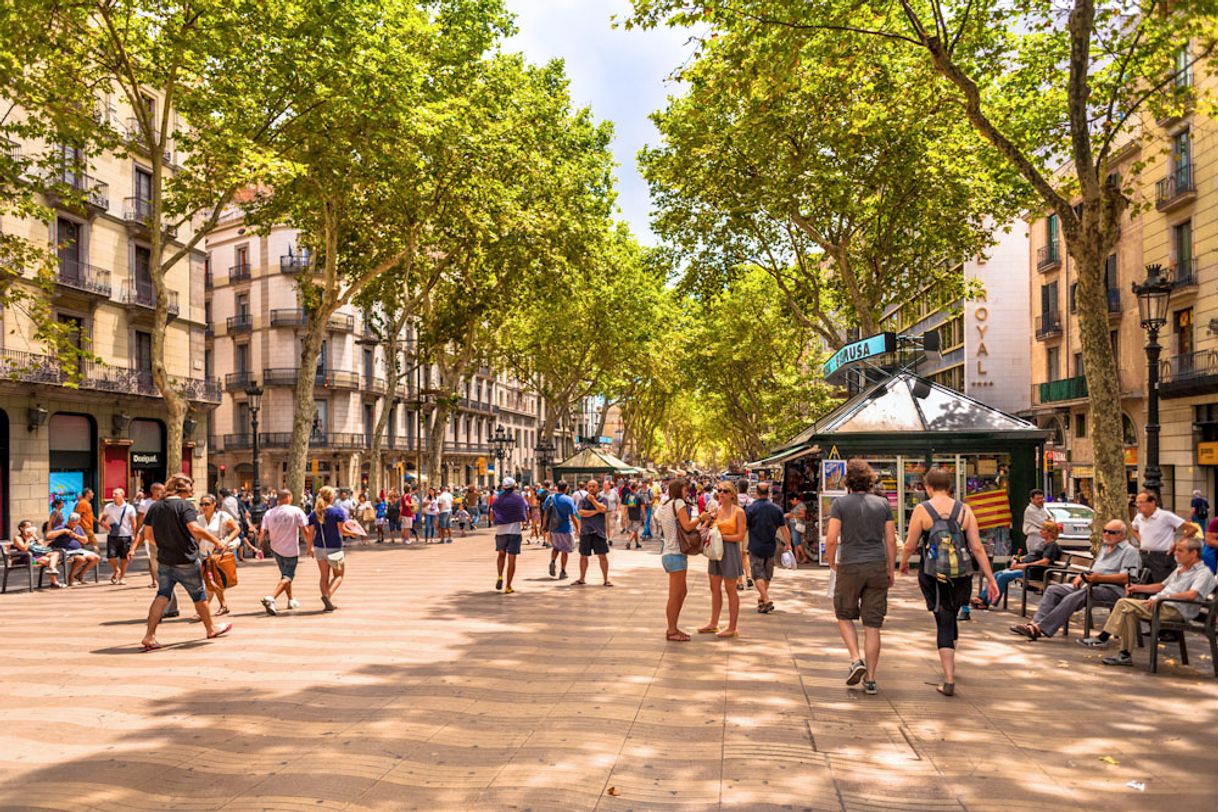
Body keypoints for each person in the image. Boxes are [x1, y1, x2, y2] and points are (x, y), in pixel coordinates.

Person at [900, 468, 1000, 697]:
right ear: (949, 487)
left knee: (943, 620)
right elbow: (976, 547)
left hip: (933, 574)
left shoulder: (922, 509)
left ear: (927, 487)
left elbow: (910, 544)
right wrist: (990, 578)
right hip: (961, 575)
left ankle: (948, 679)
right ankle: (951, 655)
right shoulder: (965, 510)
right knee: (951, 615)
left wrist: (903, 564)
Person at [1080, 537, 1217, 666]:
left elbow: (1192, 595)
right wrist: (1137, 587)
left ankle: (1103, 637)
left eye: (1180, 550)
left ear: (1194, 553)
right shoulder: (1180, 569)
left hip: (1174, 610)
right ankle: (1124, 655)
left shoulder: (1203, 573)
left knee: (1123, 603)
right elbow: (1161, 586)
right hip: (1159, 605)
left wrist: (1161, 598)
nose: (1176, 553)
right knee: (1129, 612)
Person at [825, 461, 895, 695]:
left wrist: (831, 561)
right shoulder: (883, 504)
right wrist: (891, 569)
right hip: (876, 565)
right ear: (869, 480)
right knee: (873, 625)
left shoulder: (840, 504)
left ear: (848, 482)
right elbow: (891, 540)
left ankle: (856, 659)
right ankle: (871, 679)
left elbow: (833, 538)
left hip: (850, 565)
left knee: (844, 614)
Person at [139, 474, 232, 650]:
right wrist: (216, 541)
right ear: (182, 488)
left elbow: (148, 536)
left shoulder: (155, 507)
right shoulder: (184, 505)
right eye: (190, 486)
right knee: (199, 595)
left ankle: (149, 636)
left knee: (162, 595)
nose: (192, 490)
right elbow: (194, 528)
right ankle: (211, 628)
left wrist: (165, 544)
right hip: (185, 558)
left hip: (165, 559)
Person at [1010, 520, 1141, 640]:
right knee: (1053, 590)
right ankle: (1034, 624)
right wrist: (1082, 575)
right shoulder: (1104, 548)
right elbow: (1095, 570)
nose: (1106, 534)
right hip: (1090, 585)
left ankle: (1040, 628)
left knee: (1076, 596)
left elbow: (1127, 577)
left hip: (1112, 590)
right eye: (1104, 531)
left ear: (1122, 535)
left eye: (1111, 532)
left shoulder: (1129, 552)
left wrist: (1098, 578)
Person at [698, 480, 746, 639]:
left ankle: (732, 626)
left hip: (730, 551)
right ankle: (713, 623)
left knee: (730, 588)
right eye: (719, 490)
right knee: (714, 587)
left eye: (725, 491)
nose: (721, 493)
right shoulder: (715, 510)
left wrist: (720, 537)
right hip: (715, 552)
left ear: (732, 494)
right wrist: (706, 520)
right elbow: (704, 528)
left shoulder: (738, 512)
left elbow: (740, 536)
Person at [975, 521, 1063, 607]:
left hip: (1033, 572)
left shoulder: (1052, 546)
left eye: (1043, 529)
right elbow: (1033, 555)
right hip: (1027, 569)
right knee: (997, 574)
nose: (1040, 531)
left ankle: (987, 602)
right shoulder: (1043, 544)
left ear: (1050, 532)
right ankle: (982, 597)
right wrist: (1020, 558)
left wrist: (1023, 566)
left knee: (1003, 576)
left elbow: (1044, 562)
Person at [656, 479, 699, 641]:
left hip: (669, 553)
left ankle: (674, 628)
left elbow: (660, 519)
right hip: (675, 554)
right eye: (686, 490)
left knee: (682, 592)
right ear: (679, 490)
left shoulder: (665, 505)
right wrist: (701, 518)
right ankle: (672, 630)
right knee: (675, 595)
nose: (687, 492)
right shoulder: (679, 503)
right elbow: (687, 526)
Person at [259, 489, 311, 616]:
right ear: (288, 497)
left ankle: (290, 599)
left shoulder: (269, 513)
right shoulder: (296, 511)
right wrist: (310, 545)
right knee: (288, 576)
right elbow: (305, 529)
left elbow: (262, 532)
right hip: (291, 549)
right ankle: (271, 598)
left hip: (276, 549)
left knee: (285, 575)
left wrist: (259, 548)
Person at [1131, 490, 1199, 583]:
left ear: (1152, 502)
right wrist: (1140, 540)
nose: (1138, 505)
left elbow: (1192, 529)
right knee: (1143, 583)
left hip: (1162, 557)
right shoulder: (1138, 517)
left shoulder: (1165, 516)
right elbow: (1133, 529)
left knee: (1161, 584)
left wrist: (1178, 544)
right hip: (1143, 555)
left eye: (1141, 502)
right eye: (1137, 502)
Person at [310, 485, 358, 611]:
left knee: (324, 576)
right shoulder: (337, 512)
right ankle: (327, 596)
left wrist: (309, 547)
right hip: (335, 547)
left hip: (319, 547)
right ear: (331, 497)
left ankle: (328, 601)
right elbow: (342, 530)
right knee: (339, 575)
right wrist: (352, 533)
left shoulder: (314, 513)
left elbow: (310, 533)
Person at [746, 482, 790, 615]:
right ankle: (762, 601)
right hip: (771, 547)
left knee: (757, 574)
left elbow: (744, 527)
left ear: (756, 493)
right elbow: (784, 528)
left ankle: (765, 598)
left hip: (755, 546)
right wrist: (788, 543)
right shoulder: (776, 509)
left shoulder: (751, 509)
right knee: (767, 574)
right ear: (769, 493)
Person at [198, 494, 241, 615]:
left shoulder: (222, 516)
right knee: (213, 581)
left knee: (209, 582)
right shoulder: (199, 519)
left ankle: (203, 611)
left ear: (214, 504)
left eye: (207, 504)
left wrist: (226, 541)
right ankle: (223, 605)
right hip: (203, 554)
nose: (204, 507)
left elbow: (236, 529)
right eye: (202, 504)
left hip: (217, 555)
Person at [491, 477, 528, 593]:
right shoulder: (519, 499)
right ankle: (508, 586)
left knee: (501, 554)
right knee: (512, 559)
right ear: (514, 486)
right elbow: (524, 516)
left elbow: (492, 515)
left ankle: (500, 576)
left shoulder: (497, 500)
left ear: (503, 487)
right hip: (514, 531)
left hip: (500, 531)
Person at [575, 479, 613, 586]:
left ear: (598, 488)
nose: (591, 488)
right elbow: (581, 513)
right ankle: (582, 578)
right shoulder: (582, 500)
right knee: (583, 556)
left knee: (602, 556)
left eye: (594, 486)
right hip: (586, 532)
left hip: (599, 532)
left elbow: (604, 508)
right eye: (590, 486)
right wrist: (597, 511)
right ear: (587, 488)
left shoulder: (603, 499)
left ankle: (606, 579)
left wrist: (593, 501)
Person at [47, 513, 100, 584]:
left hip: (78, 550)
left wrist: (76, 536)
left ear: (78, 522)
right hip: (66, 551)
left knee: (96, 558)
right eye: (71, 523)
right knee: (80, 559)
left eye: (75, 523)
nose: (72, 525)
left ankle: (80, 575)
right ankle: (70, 576)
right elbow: (49, 536)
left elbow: (85, 540)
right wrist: (63, 531)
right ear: (68, 521)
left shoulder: (79, 528)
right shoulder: (61, 527)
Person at [100, 488, 137, 585]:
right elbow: (102, 520)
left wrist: (135, 536)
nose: (113, 496)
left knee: (124, 558)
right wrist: (104, 524)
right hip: (112, 535)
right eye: (113, 494)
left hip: (126, 535)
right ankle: (117, 570)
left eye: (116, 494)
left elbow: (134, 523)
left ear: (122, 495)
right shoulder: (108, 507)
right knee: (110, 556)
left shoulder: (130, 508)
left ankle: (122, 577)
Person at [12, 520, 64, 588]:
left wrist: (35, 537)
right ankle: (54, 582)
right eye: (28, 527)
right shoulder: (17, 538)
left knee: (55, 553)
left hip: (38, 554)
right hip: (28, 558)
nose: (30, 528)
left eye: (31, 526)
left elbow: (42, 546)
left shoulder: (33, 536)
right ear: (21, 528)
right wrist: (28, 539)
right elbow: (24, 549)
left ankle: (51, 569)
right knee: (48, 561)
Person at [544, 480, 579, 580]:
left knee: (555, 547)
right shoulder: (568, 500)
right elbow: (572, 516)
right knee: (565, 550)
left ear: (556, 487)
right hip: (565, 528)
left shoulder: (550, 498)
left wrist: (544, 526)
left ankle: (553, 561)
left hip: (553, 528)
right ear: (566, 488)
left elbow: (546, 513)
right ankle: (563, 571)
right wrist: (577, 528)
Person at [136, 483, 164, 589]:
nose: (160, 492)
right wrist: (138, 533)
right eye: (159, 490)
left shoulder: (164, 502)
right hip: (149, 532)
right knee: (151, 557)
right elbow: (140, 519)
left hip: (163, 532)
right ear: (153, 490)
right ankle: (153, 580)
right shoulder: (145, 503)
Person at [1022, 489, 1051, 554]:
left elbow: (1049, 520)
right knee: (1035, 557)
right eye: (1038, 499)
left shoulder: (1041, 509)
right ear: (1032, 499)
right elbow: (1044, 523)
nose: (1040, 500)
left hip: (1042, 537)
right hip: (1035, 538)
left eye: (1042, 498)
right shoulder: (1030, 510)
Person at [786, 494, 810, 565]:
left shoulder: (801, 505)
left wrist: (792, 515)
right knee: (795, 543)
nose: (791, 502)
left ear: (795, 499)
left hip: (796, 525)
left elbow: (803, 515)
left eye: (791, 501)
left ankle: (804, 557)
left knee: (797, 542)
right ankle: (797, 558)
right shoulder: (797, 506)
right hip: (794, 525)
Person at [74, 488, 98, 553]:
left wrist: (99, 522)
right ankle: (95, 560)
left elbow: (90, 515)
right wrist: (76, 527)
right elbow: (78, 515)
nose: (93, 494)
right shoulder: (82, 503)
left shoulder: (87, 503)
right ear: (87, 494)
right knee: (94, 545)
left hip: (88, 527)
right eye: (91, 492)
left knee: (84, 544)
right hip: (85, 528)